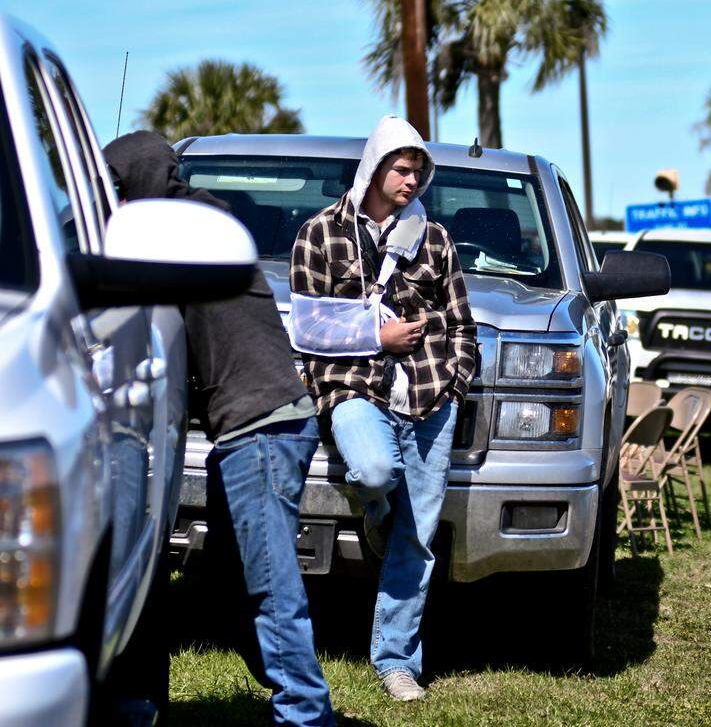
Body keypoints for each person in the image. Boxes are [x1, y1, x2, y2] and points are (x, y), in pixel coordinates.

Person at [104, 131, 336, 727]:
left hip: (261, 429)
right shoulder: (201, 222)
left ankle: (306, 715)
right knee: (230, 584)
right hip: (248, 432)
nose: (113, 207)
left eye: (117, 190)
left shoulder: (178, 232)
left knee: (269, 583)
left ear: (141, 183)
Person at [290, 115, 477, 702]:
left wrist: (455, 381)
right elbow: (308, 327)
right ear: (373, 168)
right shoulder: (320, 234)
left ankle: (396, 660)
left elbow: (463, 322)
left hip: (427, 397)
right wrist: (380, 336)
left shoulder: (435, 239)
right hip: (352, 388)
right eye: (402, 167)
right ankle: (375, 515)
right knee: (374, 473)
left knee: (418, 537)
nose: (412, 178)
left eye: (419, 168)